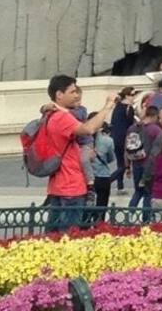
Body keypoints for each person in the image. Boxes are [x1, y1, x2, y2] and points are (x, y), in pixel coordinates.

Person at [30, 75, 114, 231]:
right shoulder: (62, 117)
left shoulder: (50, 114)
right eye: (72, 91)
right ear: (59, 95)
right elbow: (88, 129)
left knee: (53, 235)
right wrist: (108, 106)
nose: (76, 95)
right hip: (71, 186)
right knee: (69, 235)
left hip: (58, 185)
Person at [127, 106, 162, 208]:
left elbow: (125, 148)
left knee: (138, 192)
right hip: (149, 165)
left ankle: (129, 215)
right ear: (155, 116)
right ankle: (145, 219)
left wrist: (127, 166)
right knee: (148, 193)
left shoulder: (132, 128)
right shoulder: (156, 130)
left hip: (136, 163)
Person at [88, 117, 119, 222]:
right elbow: (111, 158)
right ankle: (99, 226)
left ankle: (84, 227)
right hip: (102, 176)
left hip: (87, 176)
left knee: (86, 204)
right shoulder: (108, 141)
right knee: (102, 204)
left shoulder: (82, 139)